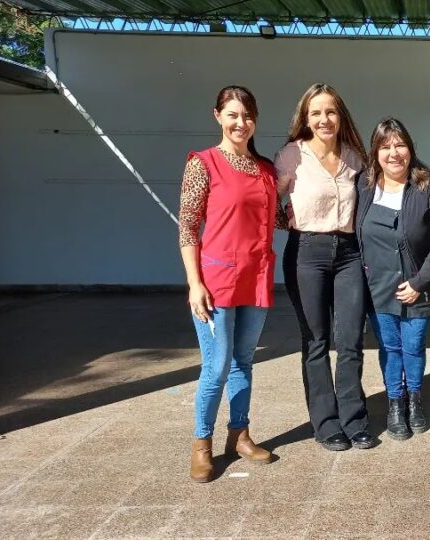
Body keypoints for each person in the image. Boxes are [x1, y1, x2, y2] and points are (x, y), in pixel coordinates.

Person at [178, 85, 276, 482]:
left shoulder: (265, 168)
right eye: (233, 114)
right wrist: (194, 283)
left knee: (243, 362)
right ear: (217, 116)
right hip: (216, 281)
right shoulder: (203, 164)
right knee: (216, 366)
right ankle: (202, 443)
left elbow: (280, 218)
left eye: (247, 116)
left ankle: (239, 434)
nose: (241, 123)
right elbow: (188, 227)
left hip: (256, 277)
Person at [274, 84, 375, 451]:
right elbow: (266, 201)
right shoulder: (291, 156)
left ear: (340, 115)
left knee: (350, 339)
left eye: (330, 111)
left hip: (349, 254)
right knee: (316, 341)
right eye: (315, 113)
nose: (324, 119)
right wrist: (287, 222)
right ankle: (326, 423)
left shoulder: (355, 157)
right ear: (305, 118)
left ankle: (354, 419)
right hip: (307, 252)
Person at [355, 118, 430, 441]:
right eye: (385, 147)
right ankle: (395, 402)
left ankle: (414, 399)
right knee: (389, 347)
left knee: (413, 347)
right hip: (377, 286)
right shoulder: (365, 185)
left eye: (400, 145)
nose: (394, 153)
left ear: (410, 148)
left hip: (416, 286)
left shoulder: (428, 186)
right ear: (375, 152)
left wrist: (420, 282)